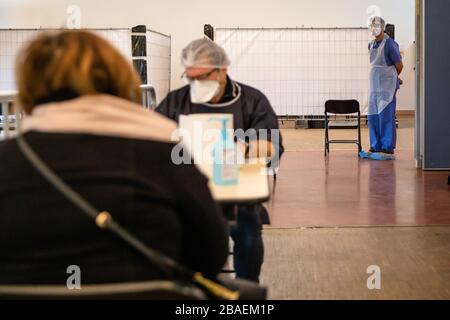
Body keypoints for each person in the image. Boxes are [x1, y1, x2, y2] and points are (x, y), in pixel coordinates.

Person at [0, 30, 228, 285]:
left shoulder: (8, 160)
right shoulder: (164, 152)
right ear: (120, 78)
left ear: (29, 87)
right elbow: (211, 255)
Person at [156, 38, 284, 283]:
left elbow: (271, 147)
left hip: (235, 188)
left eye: (202, 78)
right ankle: (194, 286)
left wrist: (241, 148)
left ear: (222, 69)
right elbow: (152, 137)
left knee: (247, 226)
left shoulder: (251, 100)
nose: (196, 85)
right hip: (188, 189)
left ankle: (246, 287)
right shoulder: (176, 101)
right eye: (190, 78)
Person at [367, 17, 403, 156]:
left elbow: (399, 66)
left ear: (382, 27)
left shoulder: (390, 44)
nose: (374, 28)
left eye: (377, 26)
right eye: (372, 26)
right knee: (373, 115)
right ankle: (375, 145)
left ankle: (387, 146)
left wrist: (392, 79)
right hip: (374, 86)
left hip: (387, 87)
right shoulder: (370, 45)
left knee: (386, 116)